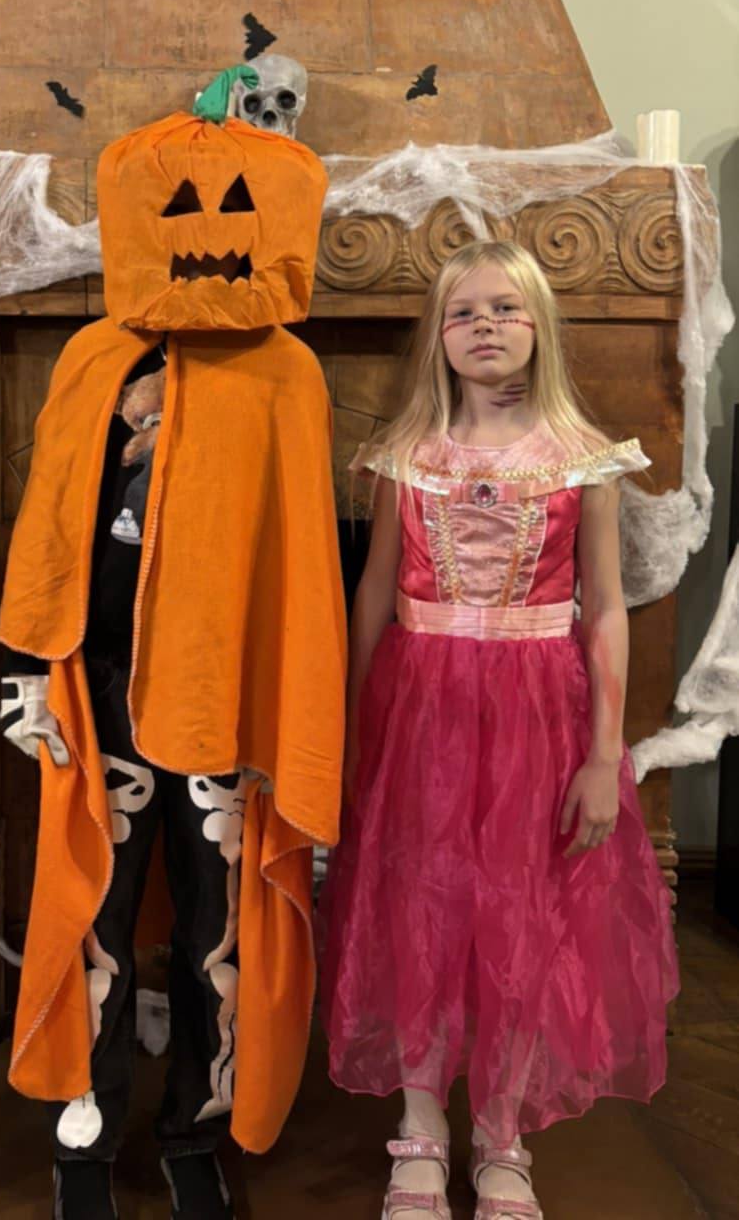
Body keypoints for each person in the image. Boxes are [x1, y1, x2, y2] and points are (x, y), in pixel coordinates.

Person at [0, 95, 347, 1220]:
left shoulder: (286, 374)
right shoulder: (93, 361)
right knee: (93, 914)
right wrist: (23, 668)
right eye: (188, 204)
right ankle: (85, 1132)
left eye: (236, 203)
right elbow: (50, 522)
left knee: (215, 925)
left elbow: (297, 559)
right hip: (99, 688)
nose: (210, 224)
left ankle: (197, 1124)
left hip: (226, 698)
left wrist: (296, 711)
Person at [319, 239, 678, 1220]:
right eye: (465, 312)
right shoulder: (406, 456)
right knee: (422, 902)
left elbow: (605, 607)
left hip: (538, 713)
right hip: (421, 709)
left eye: (506, 308)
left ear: (540, 327)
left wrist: (604, 754)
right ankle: (421, 1125)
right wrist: (351, 729)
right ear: (438, 337)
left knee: (525, 908)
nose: (486, 326)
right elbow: (375, 591)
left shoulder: (582, 458)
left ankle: (502, 1131)